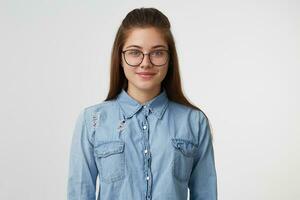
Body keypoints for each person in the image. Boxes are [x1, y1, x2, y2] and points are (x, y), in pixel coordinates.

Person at [67, 7, 218, 200]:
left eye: (157, 53)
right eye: (134, 52)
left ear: (169, 59)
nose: (145, 62)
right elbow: (79, 194)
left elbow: (206, 194)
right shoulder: (92, 121)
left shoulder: (194, 122)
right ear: (120, 58)